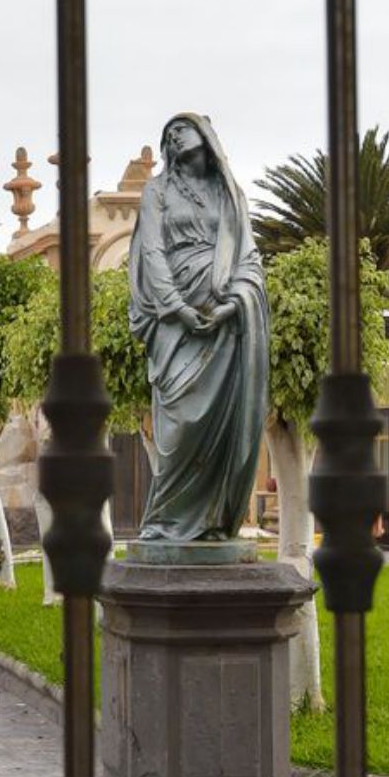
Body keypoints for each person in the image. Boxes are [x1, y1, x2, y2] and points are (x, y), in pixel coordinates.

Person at [128, 112, 269, 544]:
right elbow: (151, 253)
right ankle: (166, 523)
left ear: (205, 136)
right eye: (168, 134)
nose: (173, 136)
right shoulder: (158, 191)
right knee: (180, 425)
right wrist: (176, 308)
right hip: (176, 324)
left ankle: (209, 523)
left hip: (226, 321)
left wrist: (233, 304)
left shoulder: (230, 195)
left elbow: (249, 259)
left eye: (181, 129)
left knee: (219, 428)